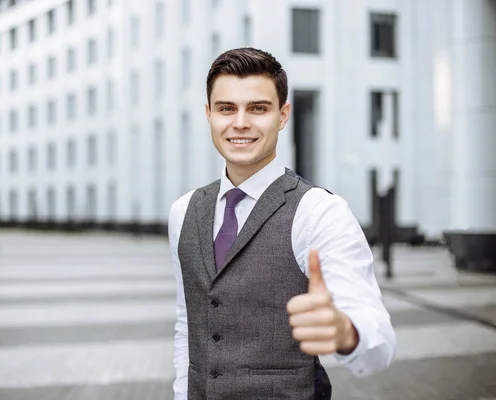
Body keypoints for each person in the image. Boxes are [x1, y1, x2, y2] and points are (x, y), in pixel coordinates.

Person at [168, 47, 396, 400]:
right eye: (227, 108)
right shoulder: (183, 212)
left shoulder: (319, 212)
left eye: (258, 108)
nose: (240, 122)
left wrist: (346, 332)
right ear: (209, 114)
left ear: (283, 115)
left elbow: (378, 340)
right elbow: (188, 325)